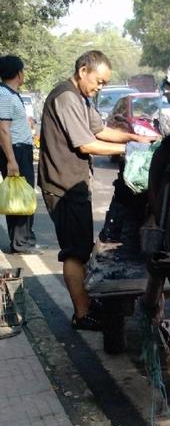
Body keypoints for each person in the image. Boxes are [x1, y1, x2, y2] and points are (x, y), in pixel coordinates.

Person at [38, 50, 152, 330]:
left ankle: (87, 304)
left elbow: (100, 130)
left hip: (75, 182)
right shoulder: (65, 96)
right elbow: (86, 144)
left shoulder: (81, 98)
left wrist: (136, 136)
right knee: (75, 251)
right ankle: (81, 315)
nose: (100, 87)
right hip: (63, 185)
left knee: (82, 247)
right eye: (99, 81)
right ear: (83, 71)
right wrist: (131, 149)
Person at [0, 54, 39, 254]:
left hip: (20, 149)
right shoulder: (4, 95)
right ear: (18, 73)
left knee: (18, 195)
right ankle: (22, 243)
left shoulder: (10, 94)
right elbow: (3, 129)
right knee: (22, 196)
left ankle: (20, 242)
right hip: (15, 151)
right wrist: (11, 160)